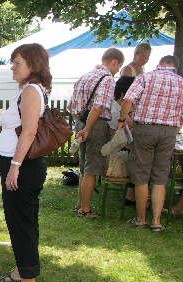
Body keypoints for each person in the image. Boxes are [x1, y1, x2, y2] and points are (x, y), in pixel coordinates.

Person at [0, 43, 52, 282]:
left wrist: (15, 166)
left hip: (23, 166)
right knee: (17, 220)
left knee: (22, 222)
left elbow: (28, 132)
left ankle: (28, 281)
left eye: (17, 63)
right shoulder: (29, 90)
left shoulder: (31, 91)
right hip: (18, 164)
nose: (12, 67)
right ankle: (22, 270)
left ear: (33, 65)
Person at [118, 55, 183, 232]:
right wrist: (177, 125)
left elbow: (128, 100)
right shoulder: (180, 82)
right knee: (160, 177)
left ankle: (141, 219)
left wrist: (122, 119)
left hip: (145, 129)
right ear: (175, 67)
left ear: (160, 64)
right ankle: (156, 221)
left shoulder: (145, 77)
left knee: (141, 175)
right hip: (169, 132)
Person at [68, 48, 124, 218]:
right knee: (92, 168)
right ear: (114, 62)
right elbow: (98, 107)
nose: (117, 71)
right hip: (95, 125)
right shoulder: (107, 79)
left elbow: (71, 105)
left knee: (83, 166)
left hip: (81, 121)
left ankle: (80, 204)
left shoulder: (86, 76)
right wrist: (88, 128)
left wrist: (81, 125)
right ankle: (85, 209)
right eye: (118, 67)